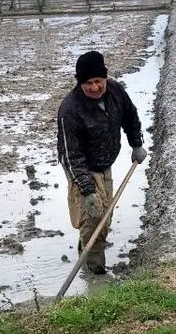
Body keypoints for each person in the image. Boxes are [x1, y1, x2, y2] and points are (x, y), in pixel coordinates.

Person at [56, 50, 148, 275]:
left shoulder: (115, 91)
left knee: (105, 214)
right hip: (82, 165)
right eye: (88, 83)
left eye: (98, 81)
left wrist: (136, 144)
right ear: (80, 83)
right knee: (95, 215)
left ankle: (85, 251)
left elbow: (130, 116)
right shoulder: (70, 110)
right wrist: (87, 191)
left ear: (105, 78)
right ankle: (95, 271)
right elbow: (71, 156)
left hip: (105, 161)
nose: (94, 87)